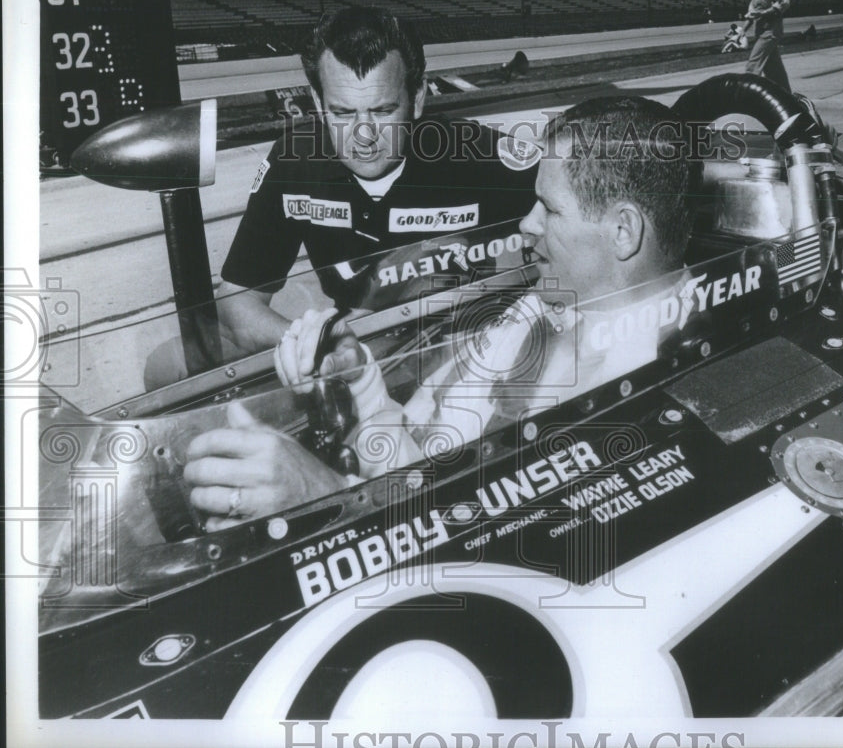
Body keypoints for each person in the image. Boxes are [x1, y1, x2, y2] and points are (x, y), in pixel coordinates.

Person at [184, 95, 696, 530]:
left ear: (624, 232)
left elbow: (496, 545)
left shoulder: (643, 385)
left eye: (551, 209)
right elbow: (422, 458)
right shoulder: (544, 305)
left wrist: (324, 495)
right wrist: (358, 381)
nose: (527, 222)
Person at [215, 5, 540, 353]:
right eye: (342, 113)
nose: (364, 135)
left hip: (465, 352)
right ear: (317, 102)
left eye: (382, 110)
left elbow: (585, 218)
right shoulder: (294, 162)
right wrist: (321, 347)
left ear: (416, 99)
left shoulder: (476, 153)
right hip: (359, 350)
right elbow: (237, 302)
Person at [743, 0, 791, 91]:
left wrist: (764, 13)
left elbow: (785, 2)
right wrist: (742, 31)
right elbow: (752, 13)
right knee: (774, 71)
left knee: (753, 67)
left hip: (771, 31)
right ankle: (789, 99)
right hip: (760, 32)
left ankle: (746, 99)